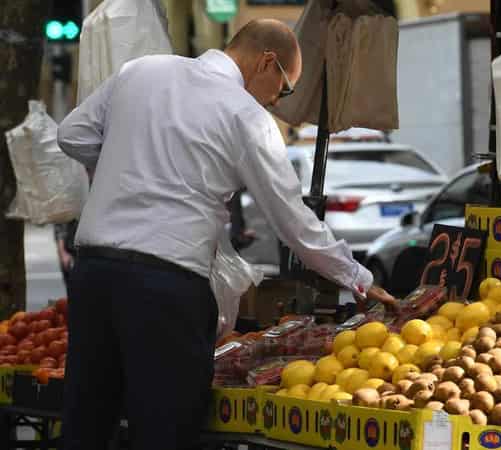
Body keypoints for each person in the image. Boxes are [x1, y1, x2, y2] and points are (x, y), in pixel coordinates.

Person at [56, 19, 395, 450]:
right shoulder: (245, 115)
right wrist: (358, 277)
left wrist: (127, 165)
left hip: (95, 272)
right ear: (266, 62)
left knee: (87, 421)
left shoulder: (141, 70)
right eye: (284, 89)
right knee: (163, 430)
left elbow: (72, 134)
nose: (277, 101)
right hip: (166, 285)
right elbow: (293, 221)